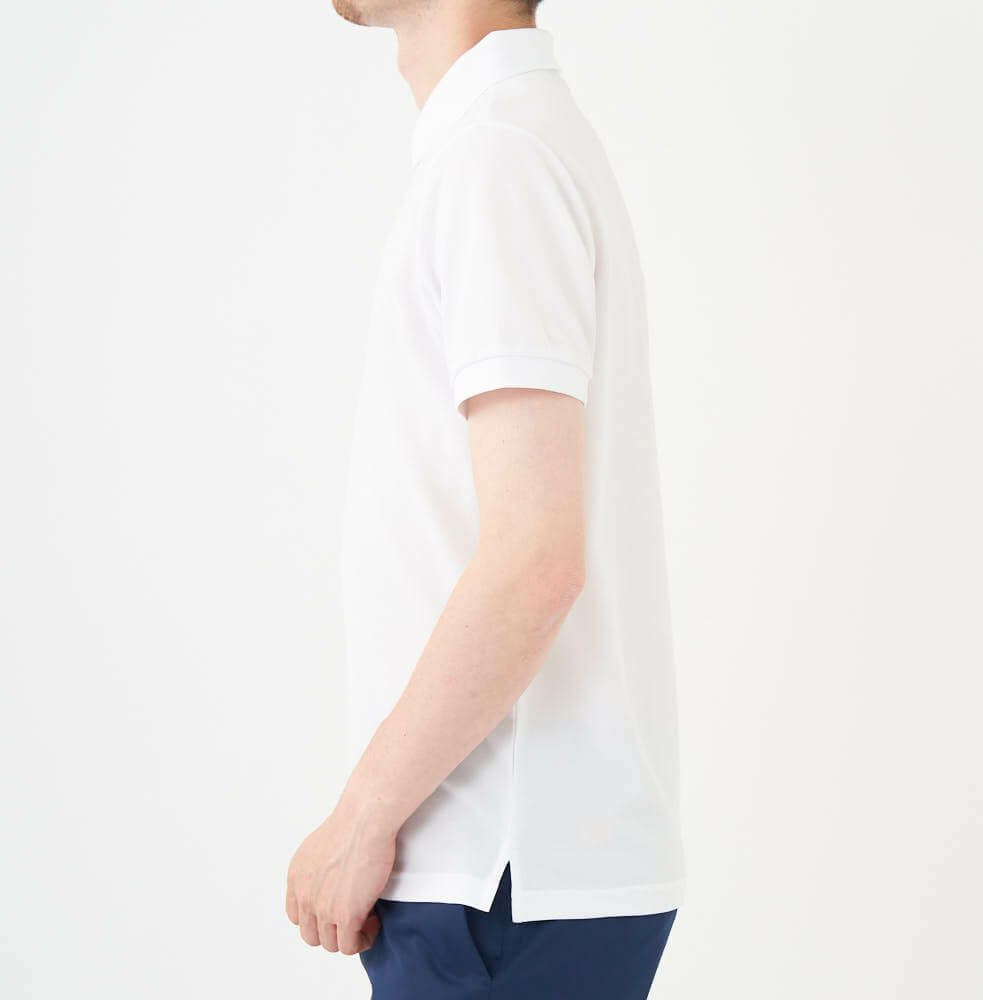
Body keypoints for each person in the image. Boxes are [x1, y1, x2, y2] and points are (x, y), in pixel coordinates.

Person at [286, 2, 685, 996]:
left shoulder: (497, 156)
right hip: (504, 872)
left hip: (499, 878)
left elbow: (533, 561)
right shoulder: (499, 143)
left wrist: (362, 816)